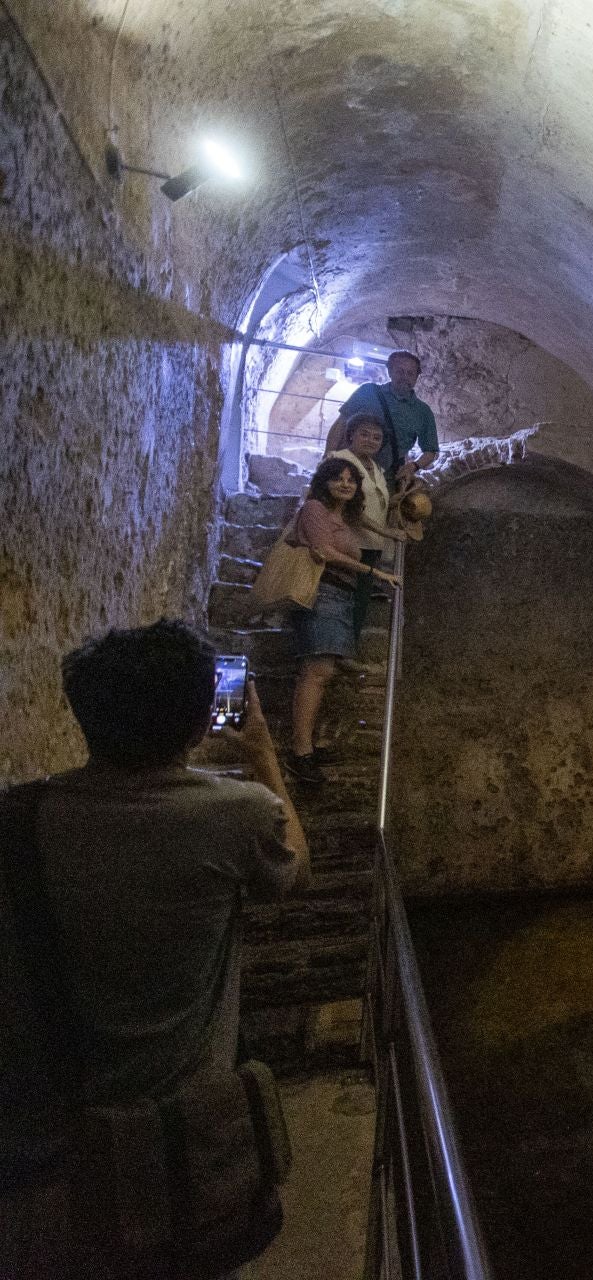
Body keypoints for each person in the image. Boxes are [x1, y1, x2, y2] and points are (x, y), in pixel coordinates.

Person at [0, 620, 310, 1276]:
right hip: (179, 1149)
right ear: (203, 722)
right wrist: (262, 755)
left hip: (49, 1141)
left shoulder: (18, 818)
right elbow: (293, 873)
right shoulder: (241, 815)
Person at [285, 458, 401, 783]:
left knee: (325, 672)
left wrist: (396, 533)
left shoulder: (346, 516)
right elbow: (324, 551)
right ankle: (300, 752)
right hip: (321, 594)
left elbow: (372, 525)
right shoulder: (314, 510)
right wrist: (376, 572)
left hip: (340, 596)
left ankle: (309, 745)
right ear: (326, 482)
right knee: (316, 672)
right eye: (339, 478)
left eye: (351, 480)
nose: (346, 484)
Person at [329, 413, 400, 639]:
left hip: (370, 545)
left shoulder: (375, 468)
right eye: (364, 434)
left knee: (359, 602)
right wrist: (387, 532)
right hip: (345, 541)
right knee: (340, 597)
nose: (370, 440)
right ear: (351, 435)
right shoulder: (339, 460)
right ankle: (333, 651)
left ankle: (347, 650)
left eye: (377, 438)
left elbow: (375, 502)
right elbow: (349, 508)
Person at [322, 349, 439, 485]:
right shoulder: (367, 392)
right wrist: (328, 457)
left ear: (417, 377)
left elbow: (430, 450)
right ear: (390, 371)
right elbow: (340, 424)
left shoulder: (423, 411)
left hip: (385, 479)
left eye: (410, 373)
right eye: (400, 371)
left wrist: (413, 466)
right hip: (346, 471)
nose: (405, 377)